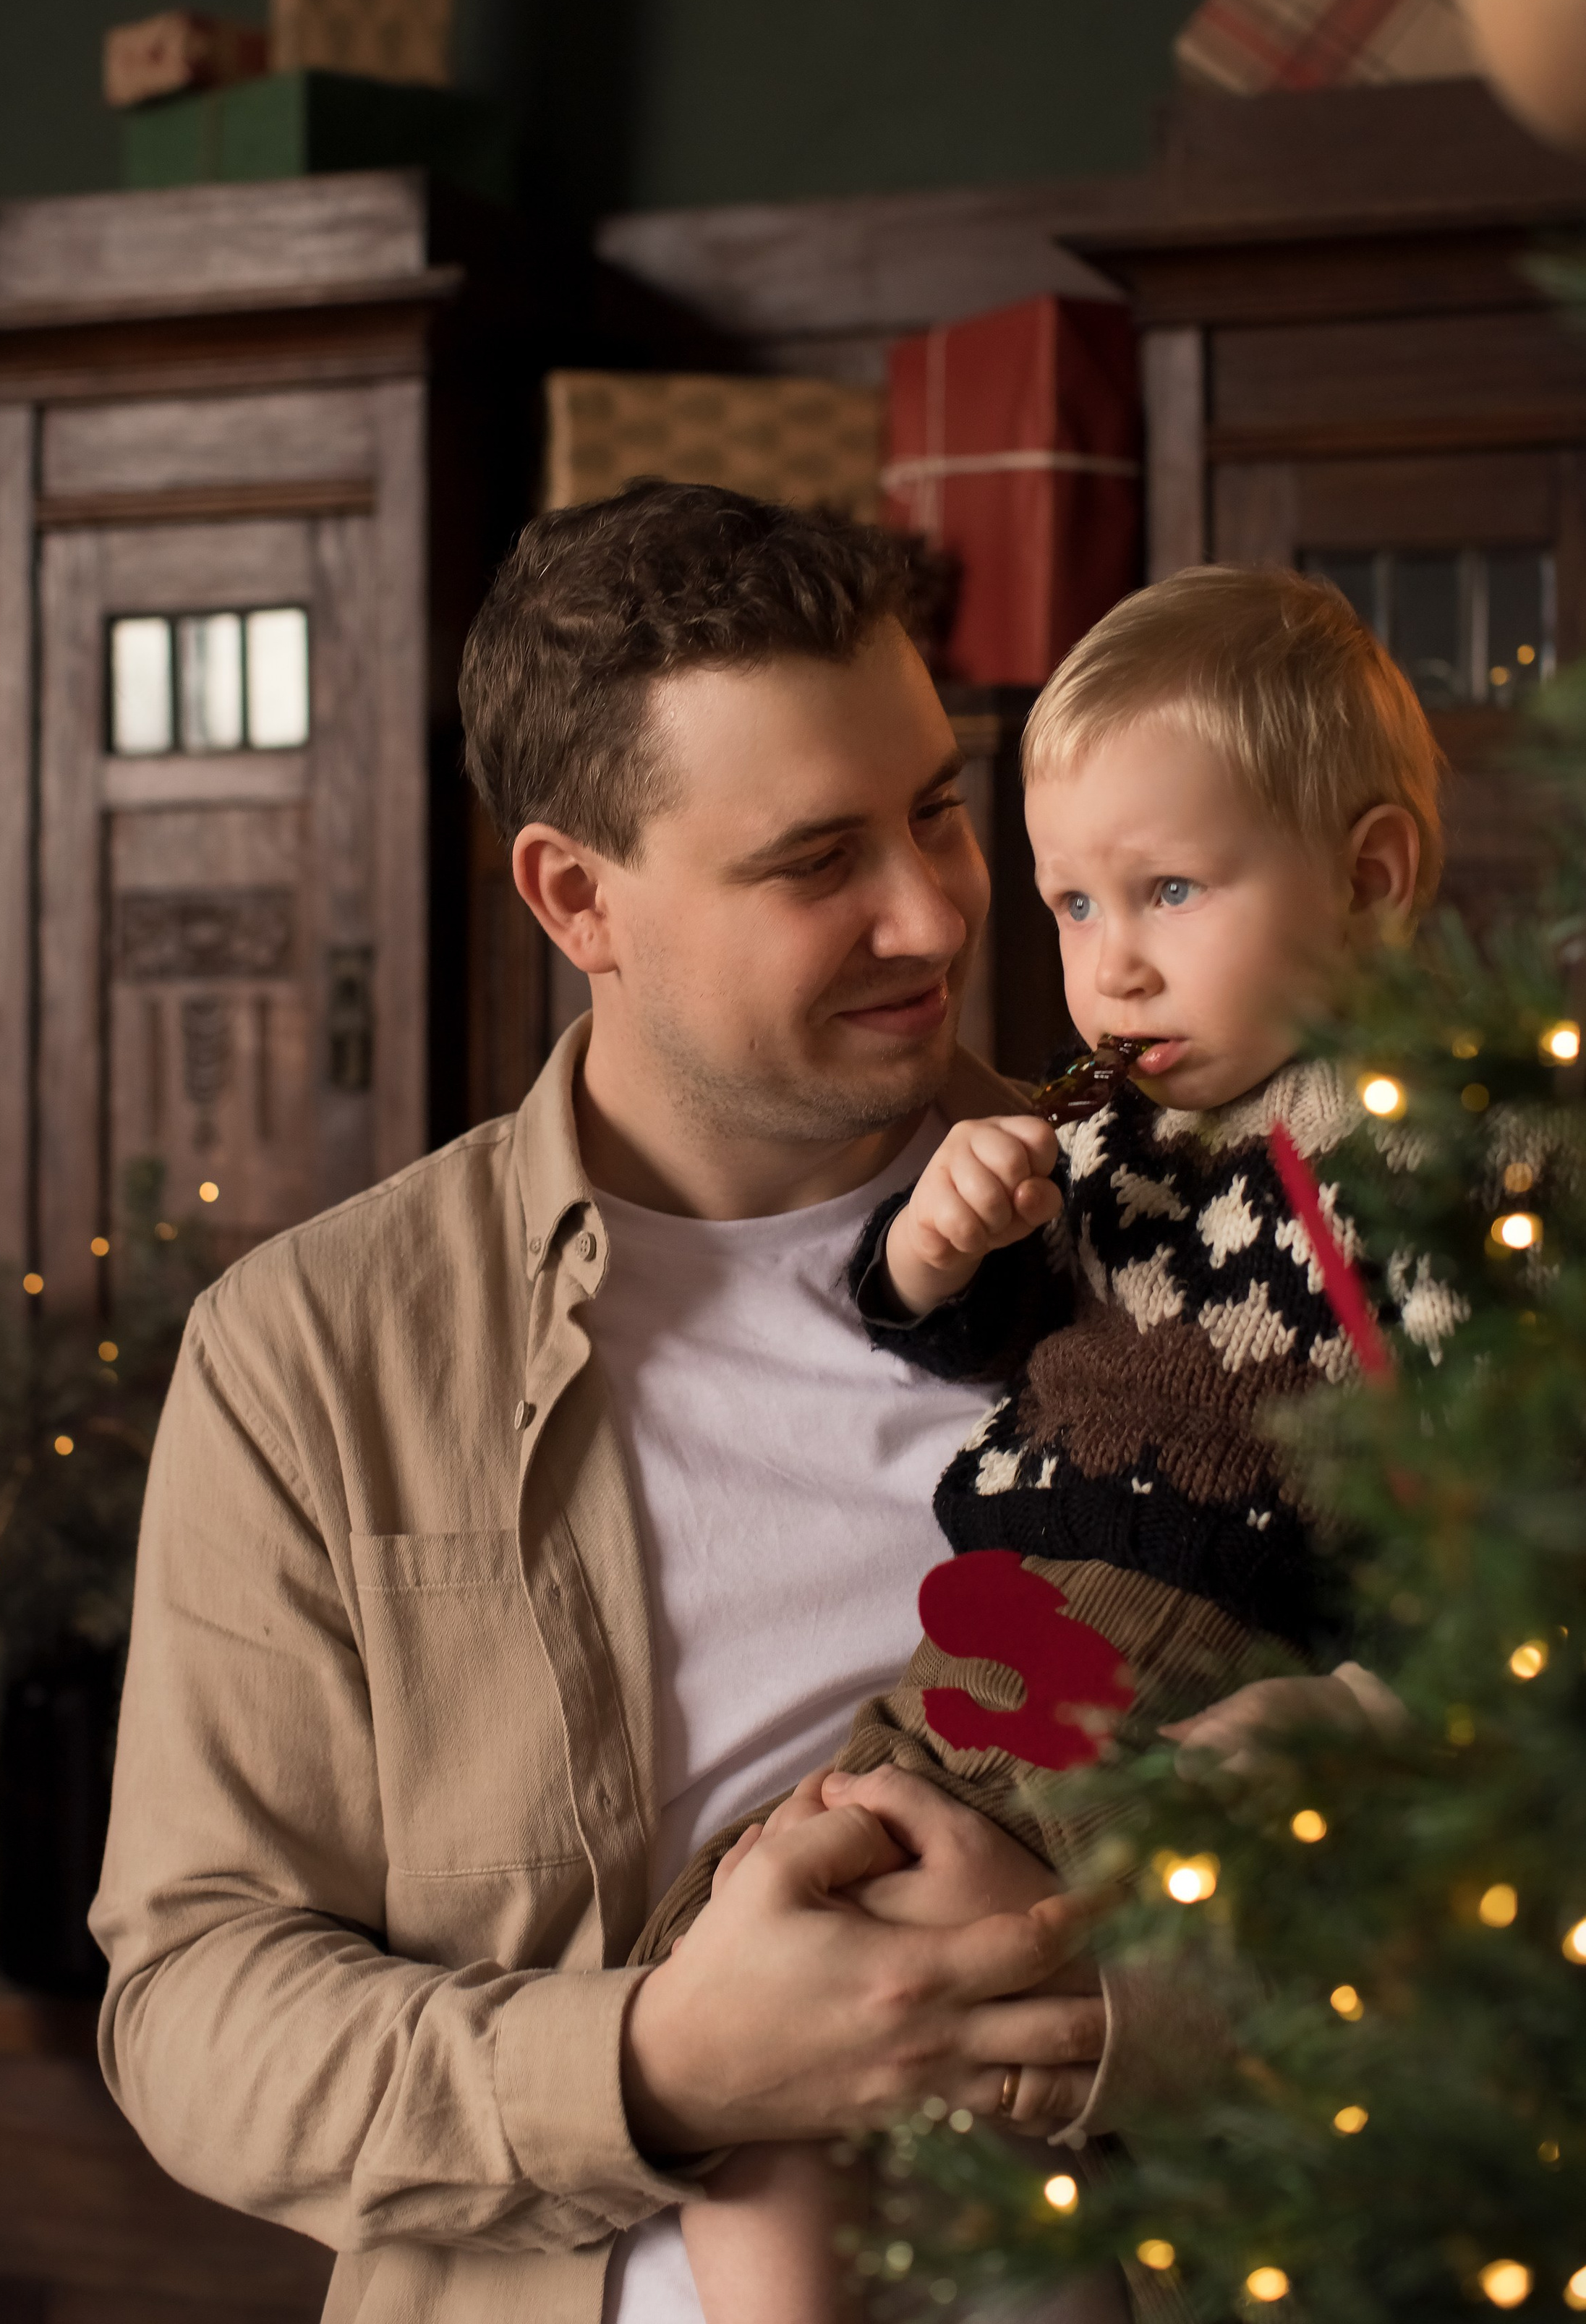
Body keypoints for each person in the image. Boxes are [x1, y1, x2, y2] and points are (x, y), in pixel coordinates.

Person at [93, 483, 1145, 2324]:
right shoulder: (313, 1352)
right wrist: (662, 2066)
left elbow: (1447, 1787)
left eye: (935, 812)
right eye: (815, 860)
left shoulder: (1173, 1241)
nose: (928, 912)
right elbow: (191, 2011)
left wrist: (1101, 2005)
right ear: (577, 895)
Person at [649, 563, 1448, 2324]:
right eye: (1074, 906)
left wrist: (1363, 1706)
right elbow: (963, 1332)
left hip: (1189, 1650)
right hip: (992, 1639)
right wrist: (946, 1231)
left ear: (1372, 882)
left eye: (1169, 890)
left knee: (1062, 2065)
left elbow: (1480, 1490)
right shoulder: (1102, 1140)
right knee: (753, 1968)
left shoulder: (1414, 1153)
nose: (1114, 963)